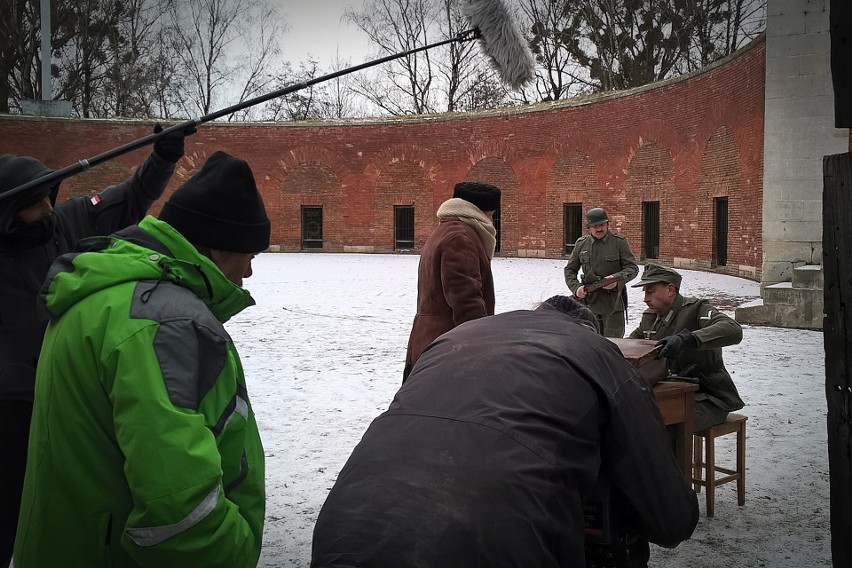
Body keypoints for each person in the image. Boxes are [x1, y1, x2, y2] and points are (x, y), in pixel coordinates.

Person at [13, 151, 269, 567]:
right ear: (219, 247)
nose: (250, 272)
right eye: (251, 255)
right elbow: (180, 512)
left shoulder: (100, 295)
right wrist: (233, 551)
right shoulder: (161, 325)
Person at [312, 296, 699, 568]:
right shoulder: (598, 353)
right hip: (488, 545)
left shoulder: (455, 339)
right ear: (588, 329)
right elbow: (670, 520)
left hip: (344, 532)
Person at [0, 125, 191, 568]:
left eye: (50, 195)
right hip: (10, 405)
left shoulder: (64, 222)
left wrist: (162, 158)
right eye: (35, 203)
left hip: (64, 389)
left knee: (62, 503)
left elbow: (129, 198)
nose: (48, 208)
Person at [402, 181, 501, 381]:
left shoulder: (447, 230)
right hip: (447, 344)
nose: (491, 222)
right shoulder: (460, 237)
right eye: (490, 215)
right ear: (479, 213)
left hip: (433, 338)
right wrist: (481, 345)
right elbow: (465, 299)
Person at [628, 263, 745, 431]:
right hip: (671, 391)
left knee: (668, 424)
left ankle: (673, 458)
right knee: (631, 415)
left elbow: (733, 329)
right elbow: (631, 344)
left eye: (650, 291)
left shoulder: (696, 309)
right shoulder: (650, 317)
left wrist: (689, 338)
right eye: (645, 292)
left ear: (670, 290)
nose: (645, 298)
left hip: (709, 396)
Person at [564, 207, 639, 338]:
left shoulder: (619, 242)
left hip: (613, 305)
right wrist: (576, 288)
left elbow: (632, 268)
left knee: (613, 345)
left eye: (602, 225)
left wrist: (616, 280)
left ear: (607, 224)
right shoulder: (581, 244)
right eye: (595, 226)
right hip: (588, 304)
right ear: (589, 228)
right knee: (589, 344)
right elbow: (570, 270)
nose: (599, 229)